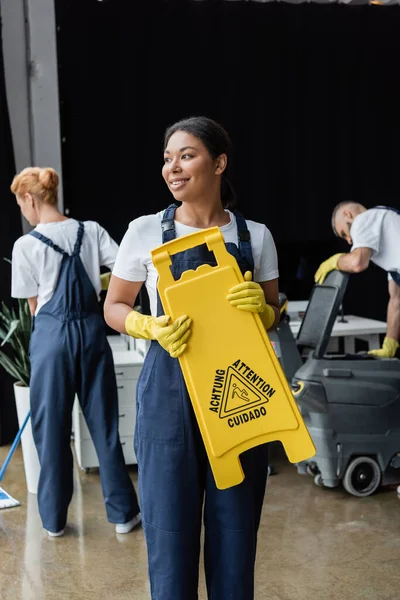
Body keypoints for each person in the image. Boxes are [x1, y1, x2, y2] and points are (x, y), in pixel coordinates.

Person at [104, 116, 279, 599]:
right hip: (168, 395)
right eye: (167, 157)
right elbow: (114, 306)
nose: (172, 167)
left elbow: (274, 312)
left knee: (235, 536)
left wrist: (262, 310)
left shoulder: (255, 236)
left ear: (219, 163)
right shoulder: (144, 231)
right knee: (169, 537)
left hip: (237, 395)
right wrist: (146, 324)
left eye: (186, 155)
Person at [10, 167, 140, 537]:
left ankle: (53, 521)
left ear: (31, 200)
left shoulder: (26, 245)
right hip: (92, 333)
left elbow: (35, 307)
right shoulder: (92, 230)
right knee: (104, 424)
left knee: (50, 430)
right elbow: (124, 269)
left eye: (22, 204)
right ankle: (123, 516)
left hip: (51, 339)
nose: (24, 212)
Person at [315, 201, 400, 358]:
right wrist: (390, 344)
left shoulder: (364, 219)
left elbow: (357, 263)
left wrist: (336, 260)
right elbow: (396, 300)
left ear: (348, 214)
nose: (349, 240)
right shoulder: (392, 238)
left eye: (344, 233)